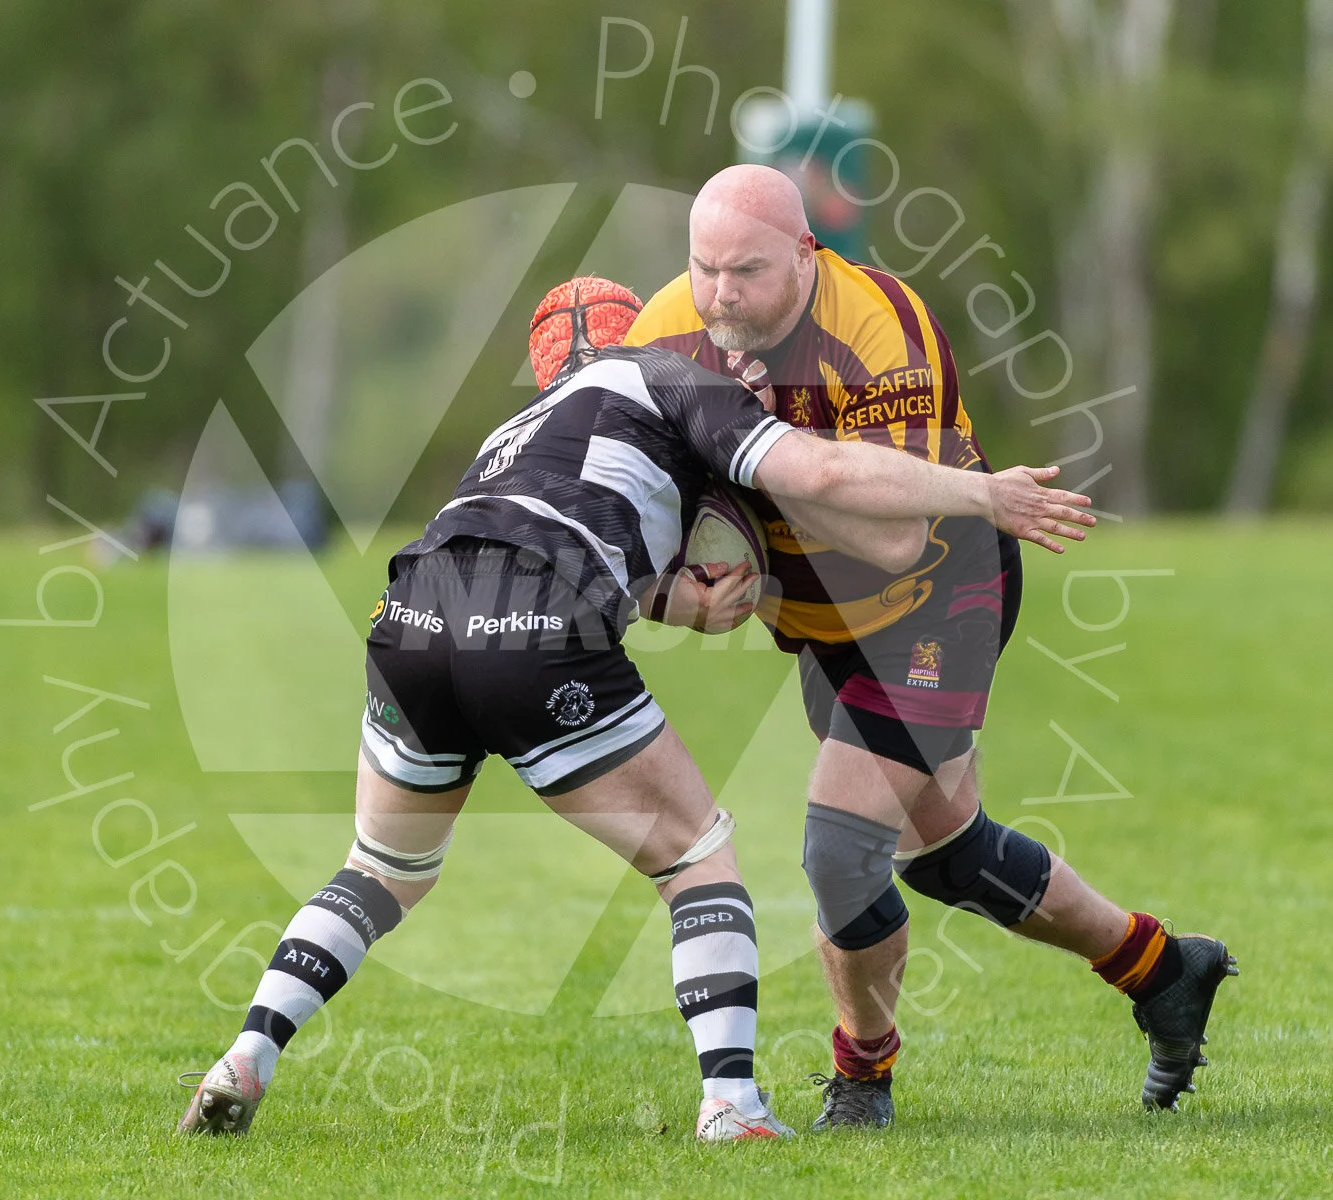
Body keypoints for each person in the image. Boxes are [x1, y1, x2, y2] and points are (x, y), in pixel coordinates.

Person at [177, 274, 1096, 1143]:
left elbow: (564, 525)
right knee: (698, 858)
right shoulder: (679, 378)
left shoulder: (521, 424)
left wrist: (671, 598)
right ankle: (732, 1105)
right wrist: (981, 493)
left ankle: (246, 1055)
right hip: (537, 621)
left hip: (414, 611)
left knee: (380, 869)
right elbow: (814, 472)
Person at [625, 165, 1235, 1127]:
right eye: (703, 269)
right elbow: (644, 503)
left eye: (744, 271)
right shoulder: (664, 332)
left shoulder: (882, 334)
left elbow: (890, 539)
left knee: (839, 851)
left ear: (805, 255)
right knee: (946, 853)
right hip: (823, 624)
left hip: (933, 597)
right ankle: (1164, 968)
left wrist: (752, 444)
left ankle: (863, 1070)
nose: (719, 295)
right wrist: (678, 587)